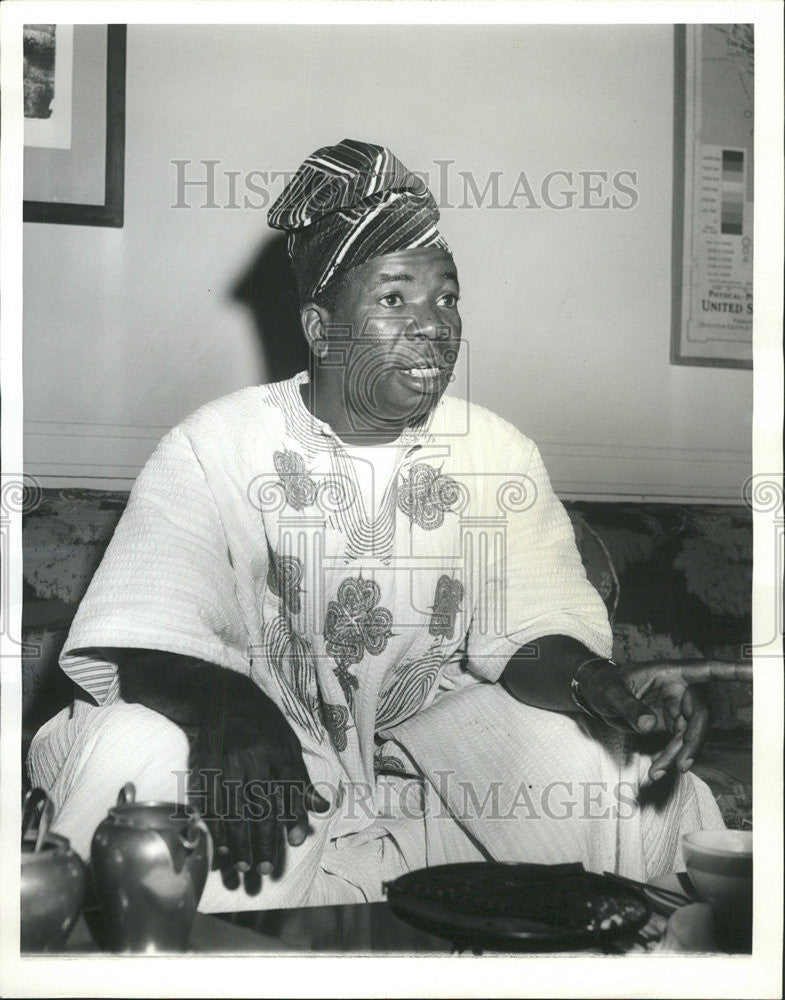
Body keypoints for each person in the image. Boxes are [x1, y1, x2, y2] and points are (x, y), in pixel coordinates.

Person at [28, 139, 751, 912]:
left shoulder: (493, 450)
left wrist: (596, 684)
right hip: (259, 755)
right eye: (393, 298)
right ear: (320, 326)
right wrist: (229, 710)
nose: (433, 325)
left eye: (446, 297)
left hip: (430, 775)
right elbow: (147, 641)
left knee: (597, 761)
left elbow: (530, 636)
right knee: (140, 753)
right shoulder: (217, 443)